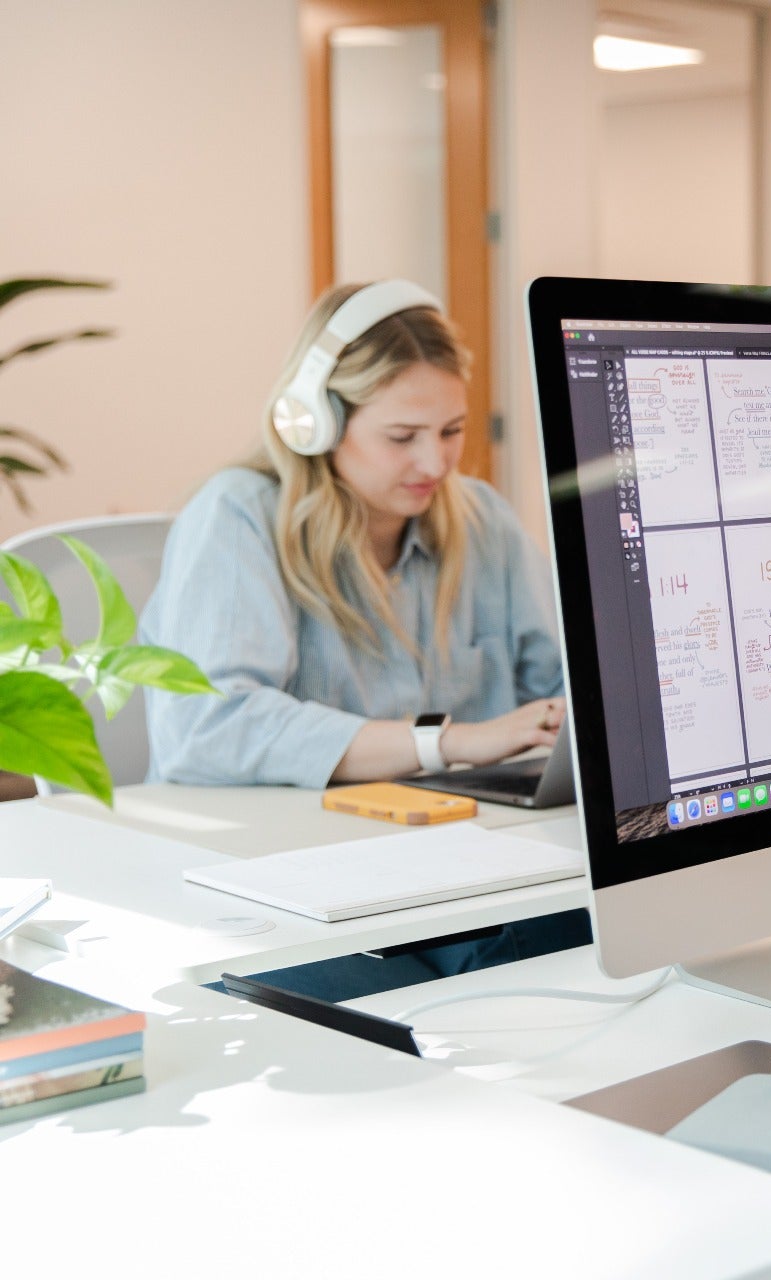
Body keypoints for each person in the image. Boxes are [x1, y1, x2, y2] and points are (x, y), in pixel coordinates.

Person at [143, 281, 586, 993]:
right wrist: (447, 740)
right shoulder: (238, 518)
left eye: (451, 431)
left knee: (579, 948)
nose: (435, 464)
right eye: (401, 437)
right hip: (291, 891)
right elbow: (206, 725)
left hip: (458, 872)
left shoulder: (481, 520)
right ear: (312, 422)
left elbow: (566, 686)